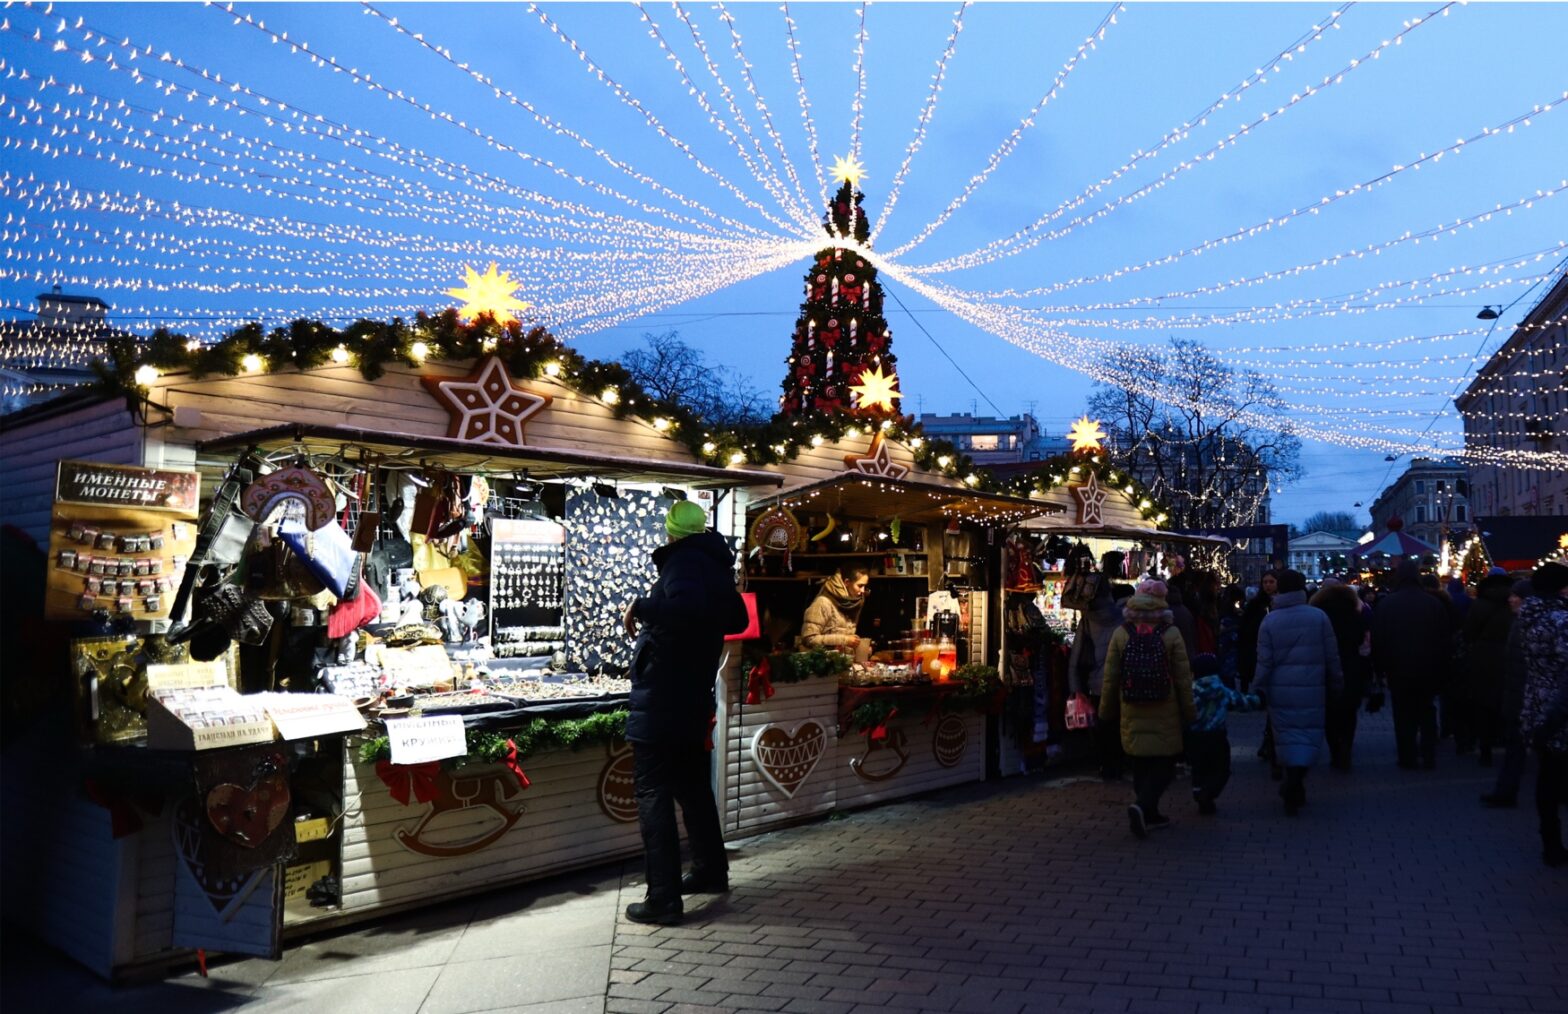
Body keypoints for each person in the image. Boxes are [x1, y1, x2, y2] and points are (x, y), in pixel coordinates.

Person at [620, 500, 749, 925]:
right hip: (691, 695)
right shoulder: (713, 564)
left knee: (653, 792)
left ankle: (663, 897)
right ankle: (711, 871)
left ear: (671, 532)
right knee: (692, 787)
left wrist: (643, 607)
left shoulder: (683, 562)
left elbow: (688, 613)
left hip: (664, 697)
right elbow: (735, 614)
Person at [1099, 580, 1196, 838]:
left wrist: (1106, 710)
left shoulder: (1121, 633)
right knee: (1164, 763)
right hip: (1166, 707)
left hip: (1130, 705)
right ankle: (1143, 806)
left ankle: (1148, 813)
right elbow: (1183, 678)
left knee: (1140, 760)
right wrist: (1190, 712)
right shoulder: (1171, 633)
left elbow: (1110, 677)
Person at [1254, 569, 1343, 814]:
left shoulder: (1270, 620)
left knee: (1285, 735)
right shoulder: (1318, 617)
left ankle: (1292, 781)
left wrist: (1257, 687)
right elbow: (1331, 655)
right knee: (1309, 734)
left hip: (1280, 689)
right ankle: (1296, 781)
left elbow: (1264, 661)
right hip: (1313, 687)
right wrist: (1336, 682)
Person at [1372, 559, 1452, 770]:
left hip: (1398, 668)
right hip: (1428, 667)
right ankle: (1428, 754)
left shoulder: (1387, 604)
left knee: (1402, 713)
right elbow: (1444, 638)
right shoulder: (1433, 603)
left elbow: (1378, 639)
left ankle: (1407, 756)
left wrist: (1380, 669)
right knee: (1426, 710)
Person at [1515, 563, 1568, 866]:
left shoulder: (1529, 616)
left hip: (1536, 704)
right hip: (1560, 710)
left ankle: (1550, 841)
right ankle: (1554, 845)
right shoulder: (1560, 619)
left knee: (1547, 778)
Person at [1185, 652, 1262, 815]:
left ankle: (1199, 791)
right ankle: (1209, 792)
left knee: (1199, 768)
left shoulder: (1190, 692)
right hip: (1217, 737)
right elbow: (1241, 701)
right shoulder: (1221, 690)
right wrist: (1259, 699)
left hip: (1195, 738)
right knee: (1221, 769)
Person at [1482, 579, 1536, 808]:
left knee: (1520, 746)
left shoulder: (1528, 623)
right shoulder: (1519, 621)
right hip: (1520, 693)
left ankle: (1507, 790)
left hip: (1527, 695)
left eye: (1517, 596)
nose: (1511, 599)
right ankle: (1506, 790)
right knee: (1516, 746)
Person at [1067, 565, 1124, 780]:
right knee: (1118, 725)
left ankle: (1105, 765)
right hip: (1119, 681)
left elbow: (1075, 658)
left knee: (1101, 726)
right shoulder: (1124, 617)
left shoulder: (1088, 621)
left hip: (1096, 683)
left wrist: (1075, 689)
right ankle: (1117, 764)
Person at [1311, 580, 1371, 770]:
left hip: (1326, 667)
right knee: (1349, 711)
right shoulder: (1355, 613)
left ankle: (1335, 750)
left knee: (1330, 713)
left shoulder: (1318, 614)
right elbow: (1363, 641)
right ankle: (1346, 746)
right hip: (1351, 666)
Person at [1460, 570, 1517, 767]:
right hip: (1510, 657)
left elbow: (1468, 633)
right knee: (1508, 703)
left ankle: (1485, 749)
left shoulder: (1479, 604)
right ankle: (1510, 746)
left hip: (1482, 659)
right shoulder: (1513, 604)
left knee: (1483, 703)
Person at [800, 564, 869, 656]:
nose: (863, 590)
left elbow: (841, 643)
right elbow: (809, 639)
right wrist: (845, 640)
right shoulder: (823, 603)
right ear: (847, 582)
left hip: (838, 664)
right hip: (820, 665)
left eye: (865, 586)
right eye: (860, 586)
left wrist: (858, 648)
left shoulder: (851, 604)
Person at [1238, 571, 1277, 692]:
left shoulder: (1280, 602)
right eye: (1265, 582)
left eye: (1271, 582)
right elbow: (1246, 627)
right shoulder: (1255, 604)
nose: (1268, 585)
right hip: (1256, 646)